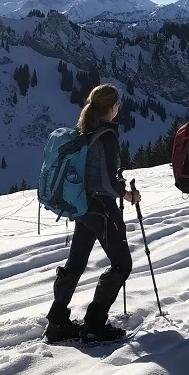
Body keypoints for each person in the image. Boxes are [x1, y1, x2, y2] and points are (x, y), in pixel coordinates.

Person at [44, 84, 140, 344]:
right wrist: (126, 194)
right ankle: (94, 325)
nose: (119, 108)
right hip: (101, 207)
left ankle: (57, 323)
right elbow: (108, 181)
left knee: (76, 263)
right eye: (118, 104)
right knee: (122, 265)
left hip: (82, 206)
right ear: (112, 107)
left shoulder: (84, 130)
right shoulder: (107, 134)